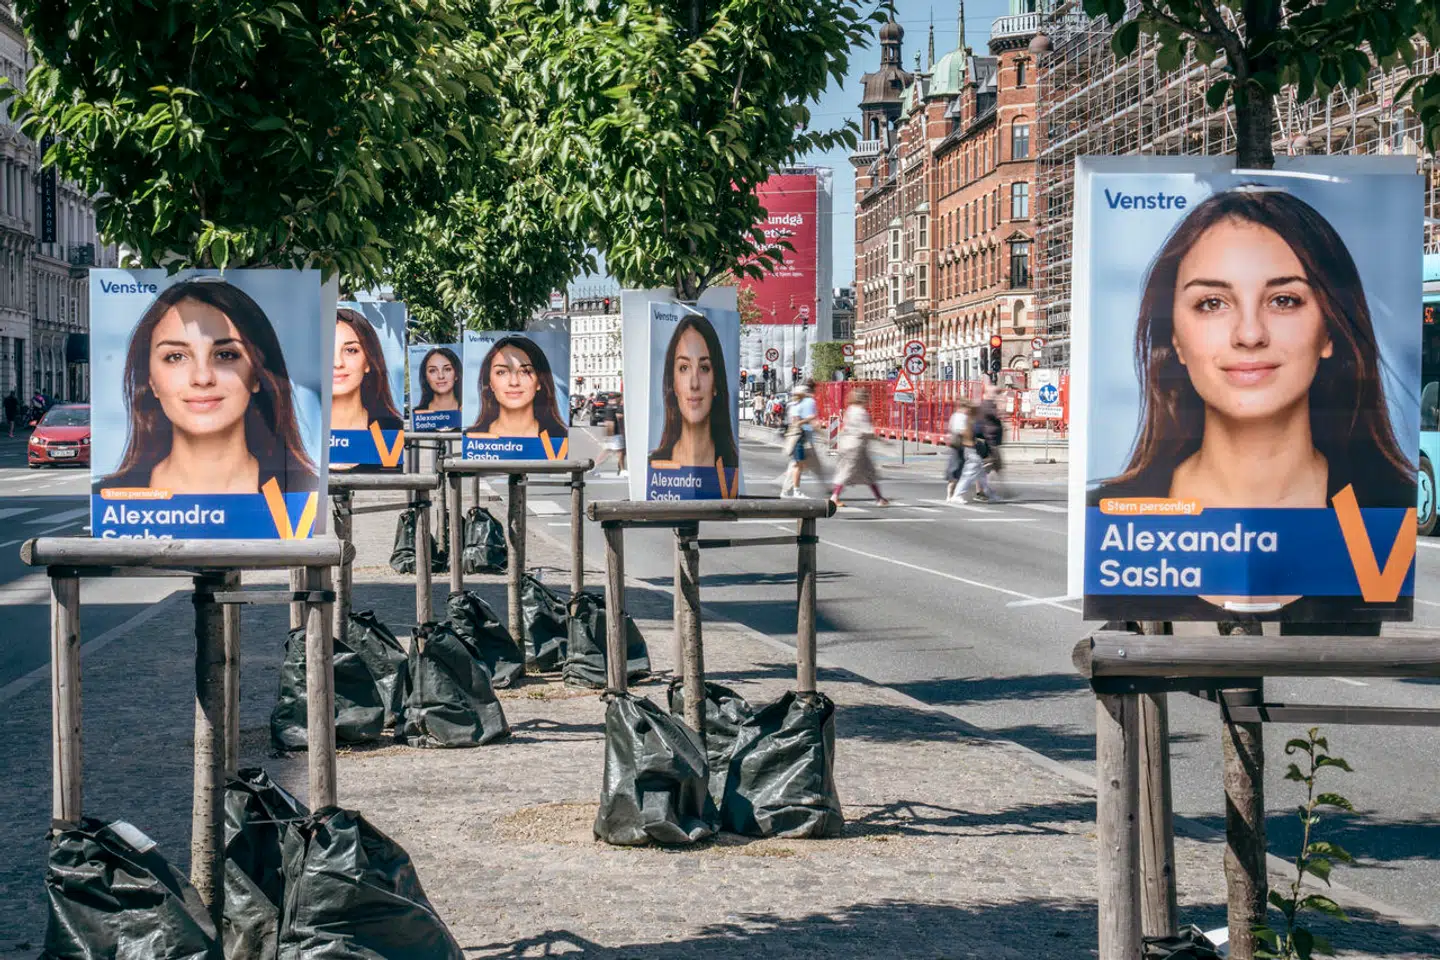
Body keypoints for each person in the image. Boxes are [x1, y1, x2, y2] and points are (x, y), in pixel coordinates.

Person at [1091, 187, 1412, 510]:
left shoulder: (1389, 507)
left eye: (1283, 300)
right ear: (1175, 337)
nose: (1249, 334)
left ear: (1329, 331)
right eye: (1212, 303)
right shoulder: (1108, 513)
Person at [97, 278, 317, 495]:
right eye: (175, 357)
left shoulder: (303, 495)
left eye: (225, 355)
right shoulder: (109, 499)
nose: (202, 378)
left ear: (257, 374)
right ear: (151, 380)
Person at [648, 313, 739, 471]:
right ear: (673, 384)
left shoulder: (731, 466)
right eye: (684, 368)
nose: (694, 383)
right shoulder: (655, 465)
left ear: (716, 383)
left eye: (704, 368)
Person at [466, 335, 569, 445]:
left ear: (539, 382)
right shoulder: (472, 437)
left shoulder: (559, 438)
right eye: (501, 372)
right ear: (490, 382)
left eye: (525, 371)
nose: (514, 382)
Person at [331, 308, 404, 432]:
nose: (338, 363)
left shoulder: (392, 430)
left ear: (368, 362)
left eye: (350, 350)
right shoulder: (295, 435)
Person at [830, 389, 888, 506]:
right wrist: (882, 441)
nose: (869, 401)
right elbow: (867, 431)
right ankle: (834, 497)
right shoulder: (861, 412)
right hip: (857, 447)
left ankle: (879, 498)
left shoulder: (850, 410)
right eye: (867, 398)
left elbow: (845, 427)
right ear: (863, 399)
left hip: (848, 445)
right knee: (848, 472)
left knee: (867, 472)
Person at [783, 382, 828, 497]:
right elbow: (808, 421)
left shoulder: (793, 404)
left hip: (800, 436)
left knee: (797, 465)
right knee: (801, 465)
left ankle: (787, 490)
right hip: (804, 438)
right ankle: (792, 490)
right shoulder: (809, 402)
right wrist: (823, 435)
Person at [947, 397, 996, 504]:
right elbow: (967, 433)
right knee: (969, 474)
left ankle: (989, 494)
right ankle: (957, 495)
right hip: (970, 448)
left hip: (971, 447)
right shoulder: (965, 418)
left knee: (981, 474)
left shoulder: (967, 418)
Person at [414, 346, 462, 413]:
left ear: (456, 374)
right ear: (426, 377)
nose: (441, 376)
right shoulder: (417, 413)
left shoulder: (469, 411)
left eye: (447, 369)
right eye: (433, 370)